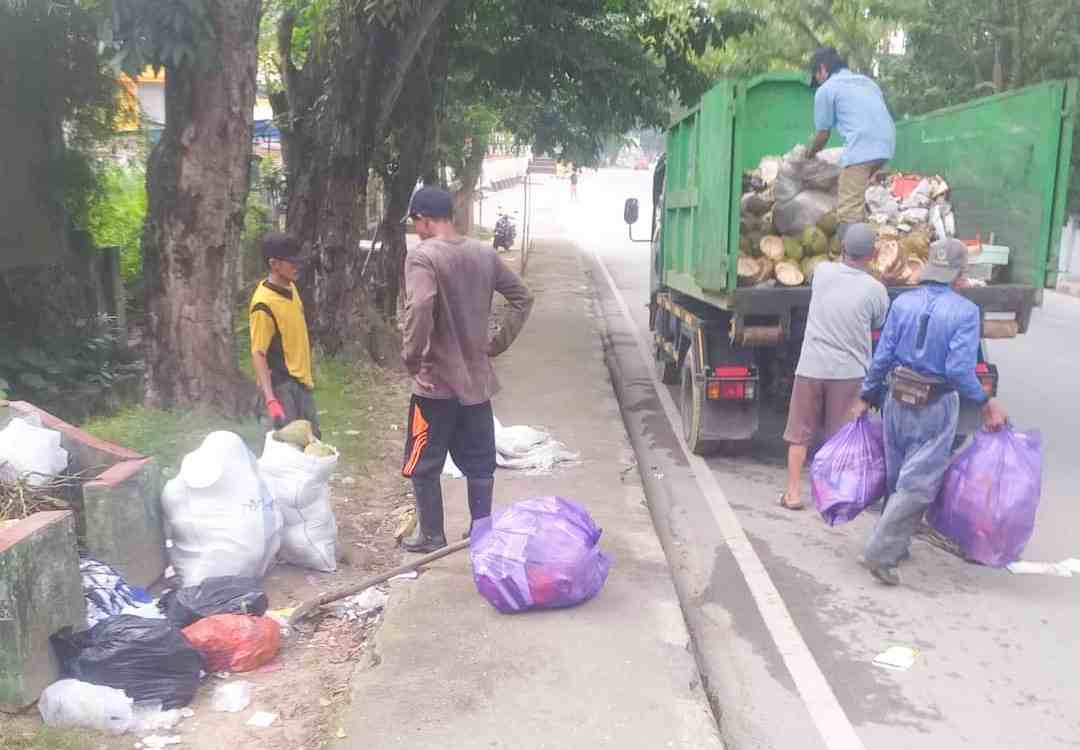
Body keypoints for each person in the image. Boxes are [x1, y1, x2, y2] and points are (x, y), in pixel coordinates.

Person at [852, 238, 1008, 585]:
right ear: (959, 275)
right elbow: (957, 369)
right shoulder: (966, 312)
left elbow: (883, 355)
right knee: (918, 485)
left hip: (895, 398)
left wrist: (867, 393)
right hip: (935, 405)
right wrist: (985, 403)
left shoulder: (903, 301)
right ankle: (880, 552)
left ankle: (896, 543)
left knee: (898, 476)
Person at [399, 186, 535, 553]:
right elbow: (523, 297)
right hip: (476, 384)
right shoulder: (483, 253)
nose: (417, 231)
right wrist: (498, 342)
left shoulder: (423, 257)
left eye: (416, 223)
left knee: (422, 461)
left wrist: (413, 357)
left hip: (434, 385)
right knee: (479, 462)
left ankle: (430, 535)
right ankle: (481, 531)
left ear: (423, 220)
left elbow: (422, 304)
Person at [781, 223, 889, 510]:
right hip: (848, 372)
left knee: (799, 433)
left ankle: (792, 493)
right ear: (874, 254)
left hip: (811, 366)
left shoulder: (822, 273)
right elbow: (878, 323)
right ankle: (831, 495)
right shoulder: (876, 290)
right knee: (840, 437)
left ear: (842, 249)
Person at [806, 46, 896, 235]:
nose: (818, 81)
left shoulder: (827, 90)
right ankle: (865, 243)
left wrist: (809, 153)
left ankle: (853, 259)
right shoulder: (867, 82)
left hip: (863, 147)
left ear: (822, 69)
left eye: (817, 75)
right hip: (886, 146)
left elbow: (823, 134)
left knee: (847, 214)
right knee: (855, 202)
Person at [249, 232, 320, 436]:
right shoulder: (263, 304)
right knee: (289, 450)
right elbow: (258, 353)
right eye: (292, 262)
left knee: (312, 443)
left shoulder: (291, 288)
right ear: (274, 264)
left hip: (302, 384)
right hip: (282, 388)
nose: (297, 266)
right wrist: (270, 399)